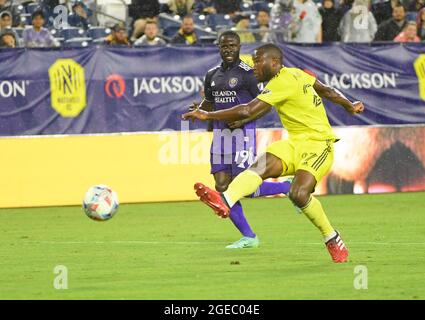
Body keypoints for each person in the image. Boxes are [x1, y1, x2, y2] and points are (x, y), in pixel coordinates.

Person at [182, 43, 365, 262]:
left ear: (275, 63)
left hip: (318, 144)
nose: (254, 67)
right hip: (294, 143)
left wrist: (206, 115)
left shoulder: (282, 82)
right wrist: (348, 104)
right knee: (258, 167)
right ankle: (225, 200)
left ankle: (331, 237)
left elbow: (248, 109)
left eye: (259, 62)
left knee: (299, 194)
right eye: (254, 61)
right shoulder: (297, 74)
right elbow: (326, 90)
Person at [186, 33, 292, 249]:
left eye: (232, 46)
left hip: (242, 134)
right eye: (224, 46)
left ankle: (285, 187)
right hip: (220, 135)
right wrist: (198, 110)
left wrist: (247, 119)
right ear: (219, 47)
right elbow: (209, 102)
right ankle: (249, 236)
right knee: (222, 185)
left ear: (239, 47)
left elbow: (266, 104)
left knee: (243, 185)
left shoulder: (248, 74)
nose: (228, 49)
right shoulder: (211, 75)